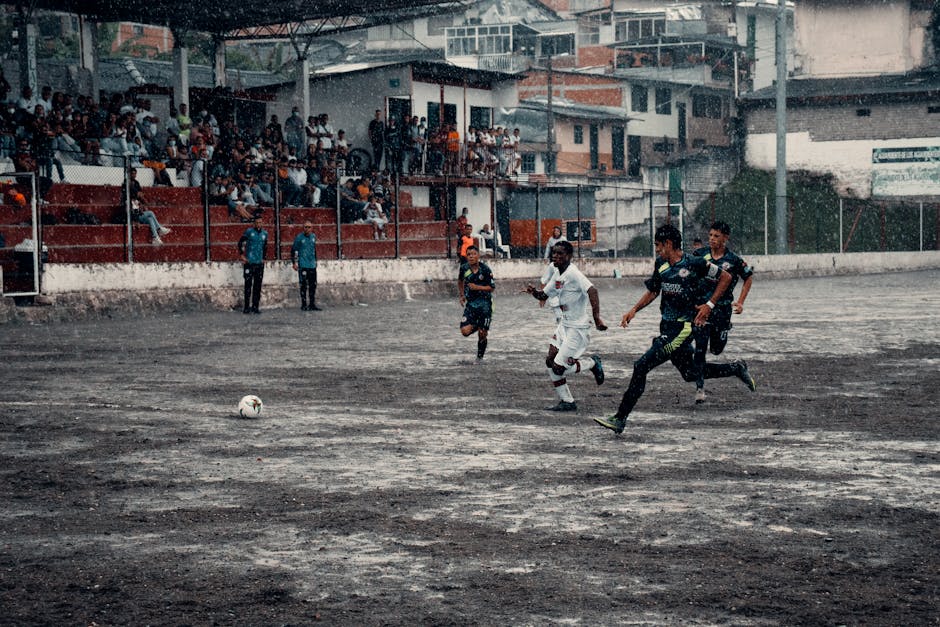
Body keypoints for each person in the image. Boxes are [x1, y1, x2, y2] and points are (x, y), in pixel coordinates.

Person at [593, 224, 756, 435]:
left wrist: (710, 305)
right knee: (690, 373)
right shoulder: (661, 264)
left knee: (641, 365)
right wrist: (634, 310)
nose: (657, 250)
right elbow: (653, 291)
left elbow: (725, 277)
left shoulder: (695, 263)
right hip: (667, 327)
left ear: (668, 244)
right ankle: (735, 368)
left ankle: (620, 418)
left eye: (658, 246)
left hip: (684, 328)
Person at [524, 240, 606, 412]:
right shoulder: (557, 273)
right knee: (550, 360)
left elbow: (593, 290)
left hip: (578, 328)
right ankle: (567, 401)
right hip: (564, 325)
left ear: (569, 256)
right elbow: (543, 295)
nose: (555, 255)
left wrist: (597, 318)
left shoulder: (573, 273)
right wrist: (534, 292)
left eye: (560, 253)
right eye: (554, 252)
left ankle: (592, 363)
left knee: (558, 368)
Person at [691, 221, 755, 403]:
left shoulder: (733, 260)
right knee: (700, 349)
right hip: (702, 309)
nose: (712, 239)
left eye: (716, 236)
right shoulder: (699, 254)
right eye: (710, 235)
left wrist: (741, 302)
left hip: (722, 311)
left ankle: (737, 366)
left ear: (725, 238)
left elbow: (748, 277)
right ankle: (700, 388)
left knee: (717, 350)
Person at [457, 245, 495, 361]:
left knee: (482, 335)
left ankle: (479, 358)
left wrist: (477, 287)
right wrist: (462, 295)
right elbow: (460, 280)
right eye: (469, 254)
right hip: (471, 305)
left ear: (478, 255)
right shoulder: (464, 268)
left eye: (473, 254)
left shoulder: (485, 269)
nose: (471, 256)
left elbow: (492, 287)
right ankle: (480, 326)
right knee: (465, 331)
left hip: (485, 305)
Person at [128, 168, 171, 245]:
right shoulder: (132, 198)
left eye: (135, 173)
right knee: (150, 213)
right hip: (134, 217)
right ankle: (159, 228)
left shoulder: (136, 185)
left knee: (150, 219)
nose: (134, 175)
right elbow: (135, 207)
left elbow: (141, 196)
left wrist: (142, 203)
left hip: (138, 213)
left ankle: (155, 237)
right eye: (132, 173)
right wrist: (136, 221)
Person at [237, 216, 268, 314]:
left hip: (259, 263)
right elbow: (240, 242)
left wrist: (264, 258)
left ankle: (255, 307)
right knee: (248, 285)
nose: (259, 224)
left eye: (260, 222)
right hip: (249, 263)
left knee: (257, 286)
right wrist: (242, 255)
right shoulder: (249, 232)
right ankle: (246, 307)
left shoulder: (265, 233)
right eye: (257, 222)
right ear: (254, 223)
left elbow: (265, 246)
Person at [290, 220, 322, 311]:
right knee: (303, 285)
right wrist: (294, 263)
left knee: (313, 285)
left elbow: (314, 249)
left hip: (312, 265)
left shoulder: (313, 237)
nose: (307, 229)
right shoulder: (299, 238)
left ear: (312, 228)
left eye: (309, 227)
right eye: (305, 227)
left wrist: (315, 261)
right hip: (303, 265)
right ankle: (304, 305)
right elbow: (294, 250)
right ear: (303, 228)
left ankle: (312, 304)